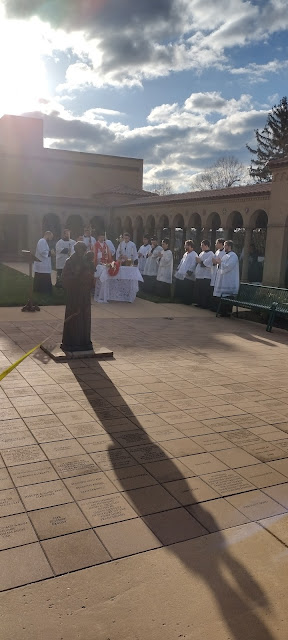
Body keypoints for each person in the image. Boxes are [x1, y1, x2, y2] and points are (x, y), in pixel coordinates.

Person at [61, 242, 95, 352]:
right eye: (81, 250)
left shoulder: (86, 262)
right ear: (76, 250)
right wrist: (76, 277)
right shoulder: (70, 262)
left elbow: (91, 275)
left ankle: (84, 341)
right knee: (74, 318)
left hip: (84, 295)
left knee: (84, 319)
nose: (82, 252)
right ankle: (72, 342)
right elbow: (65, 278)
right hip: (74, 295)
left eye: (84, 250)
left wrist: (89, 278)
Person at [213, 239, 240, 315]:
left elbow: (229, 267)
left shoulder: (233, 256)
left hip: (229, 280)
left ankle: (227, 312)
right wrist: (218, 263)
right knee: (222, 297)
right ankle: (222, 311)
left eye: (225, 245)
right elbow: (221, 266)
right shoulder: (226, 256)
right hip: (223, 280)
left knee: (228, 296)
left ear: (229, 246)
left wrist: (220, 262)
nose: (224, 247)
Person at [174, 240, 198, 304]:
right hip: (181, 273)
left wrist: (189, 272)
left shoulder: (194, 254)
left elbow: (193, 264)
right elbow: (182, 262)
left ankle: (187, 301)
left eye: (186, 245)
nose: (185, 246)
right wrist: (178, 269)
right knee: (181, 287)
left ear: (190, 246)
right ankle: (180, 299)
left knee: (187, 288)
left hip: (188, 275)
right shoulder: (185, 254)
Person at [195, 239, 215, 308]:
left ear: (206, 245)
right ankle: (199, 303)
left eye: (202, 245)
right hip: (200, 275)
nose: (201, 247)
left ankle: (204, 304)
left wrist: (200, 261)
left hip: (206, 275)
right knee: (199, 290)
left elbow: (206, 264)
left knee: (204, 291)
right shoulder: (201, 253)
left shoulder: (211, 254)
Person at [210, 238, 225, 310]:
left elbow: (223, 262)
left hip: (221, 274)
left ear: (221, 244)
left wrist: (217, 262)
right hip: (216, 273)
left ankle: (218, 307)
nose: (215, 244)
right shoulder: (217, 252)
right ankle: (214, 306)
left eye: (217, 243)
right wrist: (213, 262)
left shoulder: (225, 252)